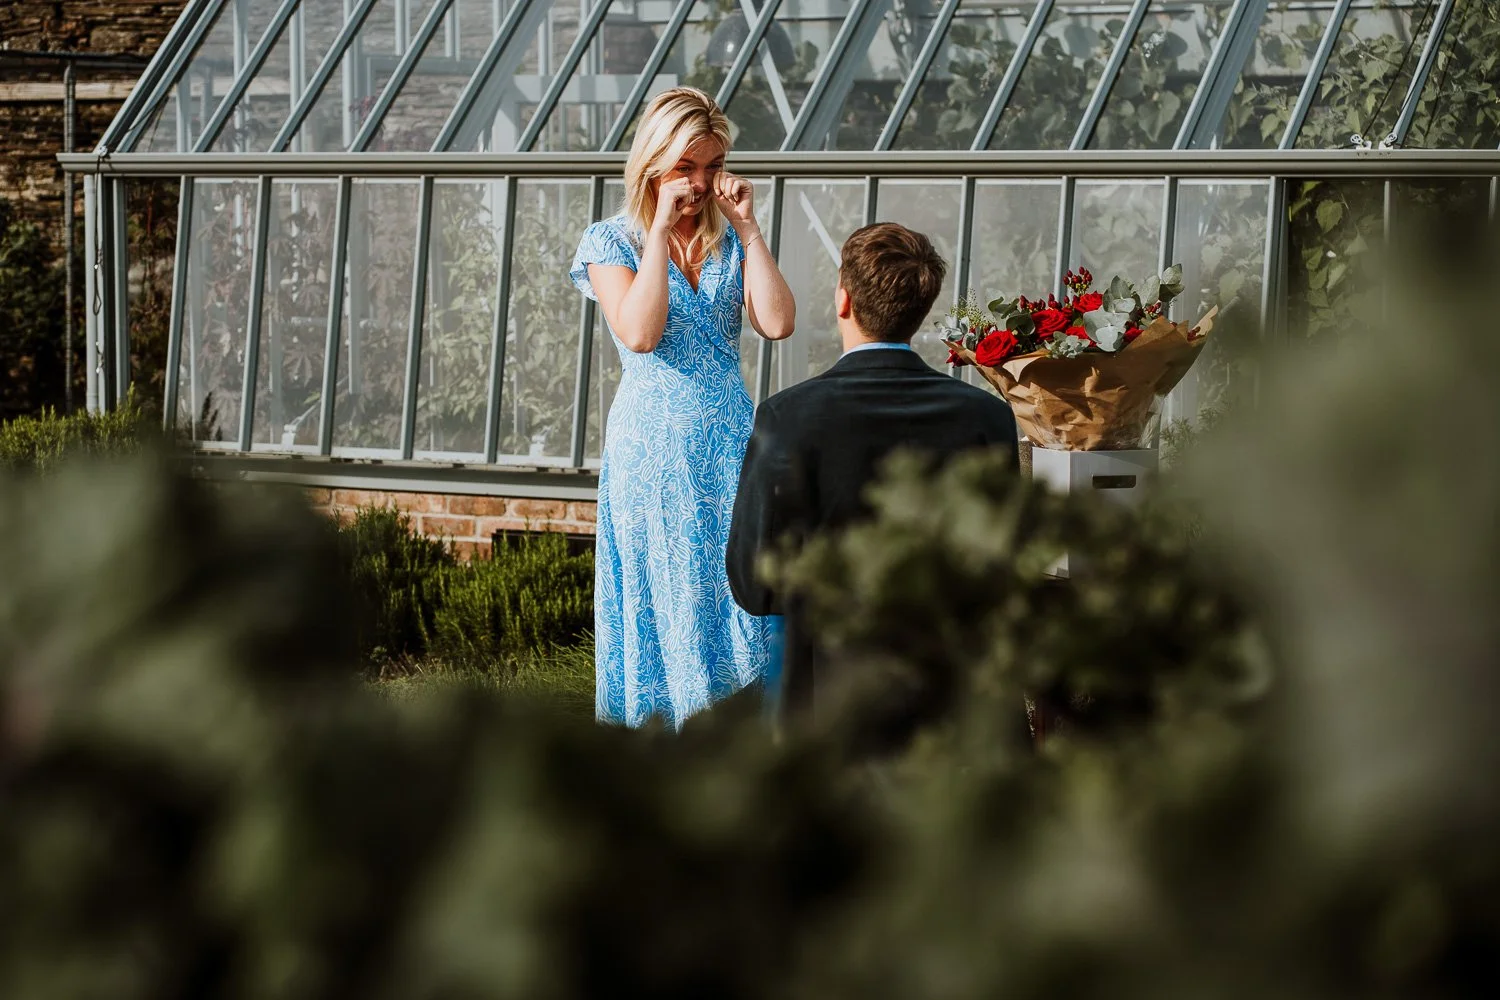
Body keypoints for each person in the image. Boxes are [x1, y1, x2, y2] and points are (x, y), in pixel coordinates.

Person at [725, 223, 1019, 739]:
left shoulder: (787, 417)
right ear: (922, 307)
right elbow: (1000, 566)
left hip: (827, 702)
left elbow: (754, 583)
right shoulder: (987, 417)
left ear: (843, 298)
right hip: (954, 706)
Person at [569, 87, 796, 729]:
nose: (700, 184)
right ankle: (668, 743)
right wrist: (661, 231)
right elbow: (639, 334)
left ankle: (743, 733)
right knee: (667, 590)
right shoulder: (611, 242)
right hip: (653, 453)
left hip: (730, 447)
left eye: (712, 166)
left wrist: (749, 228)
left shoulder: (730, 242)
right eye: (686, 167)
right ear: (653, 167)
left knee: (737, 588)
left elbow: (777, 322)